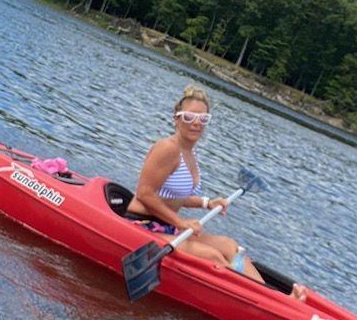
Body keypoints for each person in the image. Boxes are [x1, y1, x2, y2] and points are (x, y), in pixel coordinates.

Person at [126, 85, 305, 299]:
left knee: (229, 246)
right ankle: (263, 301)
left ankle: (275, 300)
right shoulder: (168, 148)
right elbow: (145, 193)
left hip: (167, 226)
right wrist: (181, 223)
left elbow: (172, 196)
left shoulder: (189, 153)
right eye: (190, 116)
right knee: (213, 256)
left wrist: (206, 203)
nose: (196, 123)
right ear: (177, 118)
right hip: (143, 225)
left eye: (203, 119)